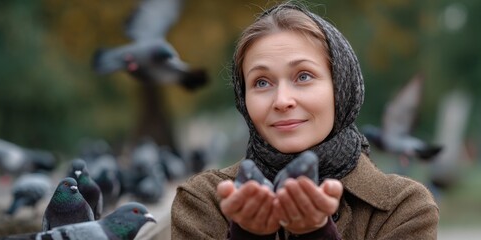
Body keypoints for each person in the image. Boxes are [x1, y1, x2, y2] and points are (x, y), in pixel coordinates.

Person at [171, 2, 439, 239]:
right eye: (262, 82)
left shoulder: (403, 207)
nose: (282, 100)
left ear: (340, 87)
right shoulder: (203, 200)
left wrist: (317, 234)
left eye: (303, 76)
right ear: (243, 98)